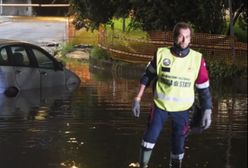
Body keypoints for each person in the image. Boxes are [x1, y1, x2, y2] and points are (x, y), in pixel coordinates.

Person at [131, 22, 212, 168]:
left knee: (178, 145)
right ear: (174, 37)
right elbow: (147, 76)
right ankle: (142, 165)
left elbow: (204, 89)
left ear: (190, 39)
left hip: (182, 111)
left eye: (187, 37)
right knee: (150, 137)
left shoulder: (197, 59)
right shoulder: (161, 54)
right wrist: (137, 98)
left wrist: (207, 110)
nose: (183, 40)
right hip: (160, 107)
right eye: (180, 36)